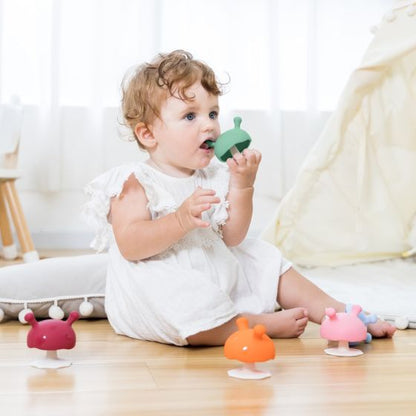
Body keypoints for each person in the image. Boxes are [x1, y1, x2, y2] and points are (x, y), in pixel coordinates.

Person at [85, 49, 396, 346]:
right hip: (159, 278)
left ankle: (337, 311)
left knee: (264, 258)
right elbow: (130, 245)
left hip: (211, 266)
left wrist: (242, 186)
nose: (209, 124)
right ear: (148, 134)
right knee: (183, 298)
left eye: (213, 112)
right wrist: (179, 219)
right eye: (190, 116)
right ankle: (253, 324)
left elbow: (233, 237)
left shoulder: (213, 175)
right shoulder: (134, 181)